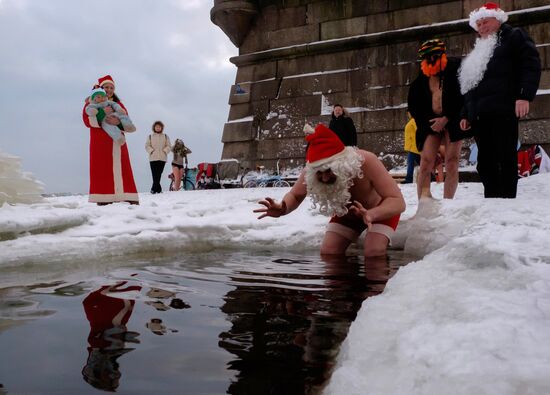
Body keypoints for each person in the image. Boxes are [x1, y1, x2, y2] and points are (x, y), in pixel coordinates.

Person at [254, 124, 405, 257]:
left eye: (328, 171)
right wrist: (283, 208)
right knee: (329, 252)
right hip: (346, 215)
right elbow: (296, 195)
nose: (325, 178)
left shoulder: (366, 161)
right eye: (319, 173)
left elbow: (397, 202)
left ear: (341, 164)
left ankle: (381, 288)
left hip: (379, 212)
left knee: (373, 251)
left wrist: (372, 214)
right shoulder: (312, 169)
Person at [459, 2, 541, 198]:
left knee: (505, 157)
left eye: (485, 22)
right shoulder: (478, 49)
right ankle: (492, 199)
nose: (482, 27)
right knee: (485, 161)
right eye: (478, 25)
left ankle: (506, 200)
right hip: (480, 114)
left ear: (498, 19)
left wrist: (524, 95)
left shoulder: (514, 36)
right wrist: (465, 113)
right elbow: (470, 84)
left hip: (503, 109)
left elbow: (530, 64)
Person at [408, 38, 468, 199]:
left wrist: (447, 118)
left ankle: (448, 202)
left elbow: (463, 98)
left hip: (453, 119)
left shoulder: (456, 70)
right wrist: (430, 123)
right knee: (426, 162)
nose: (431, 60)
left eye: (434, 56)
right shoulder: (421, 80)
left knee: (452, 161)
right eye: (427, 58)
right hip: (430, 123)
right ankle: (424, 202)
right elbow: (414, 107)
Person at [82, 75, 139, 205]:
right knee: (102, 169)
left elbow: (126, 120)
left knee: (123, 168)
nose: (109, 89)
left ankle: (128, 196)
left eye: (111, 87)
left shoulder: (118, 105)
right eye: (106, 87)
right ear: (100, 89)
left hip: (118, 142)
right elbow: (87, 120)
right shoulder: (91, 103)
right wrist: (103, 113)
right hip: (100, 142)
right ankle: (103, 198)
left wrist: (117, 122)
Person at [145, 121, 172, 194]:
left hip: (162, 158)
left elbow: (169, 146)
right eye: (156, 127)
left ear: (161, 128)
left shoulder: (165, 136)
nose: (158, 128)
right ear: (154, 127)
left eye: (159, 127)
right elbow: (147, 146)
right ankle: (155, 189)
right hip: (153, 158)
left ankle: (155, 189)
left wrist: (164, 151)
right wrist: (152, 151)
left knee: (159, 173)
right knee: (154, 174)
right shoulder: (150, 136)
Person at [402, 114, 421, 184]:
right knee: (421, 163)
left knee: (410, 163)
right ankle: (431, 176)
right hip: (412, 147)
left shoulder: (414, 121)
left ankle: (409, 179)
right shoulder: (412, 121)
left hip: (414, 147)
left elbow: (418, 130)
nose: (408, 114)